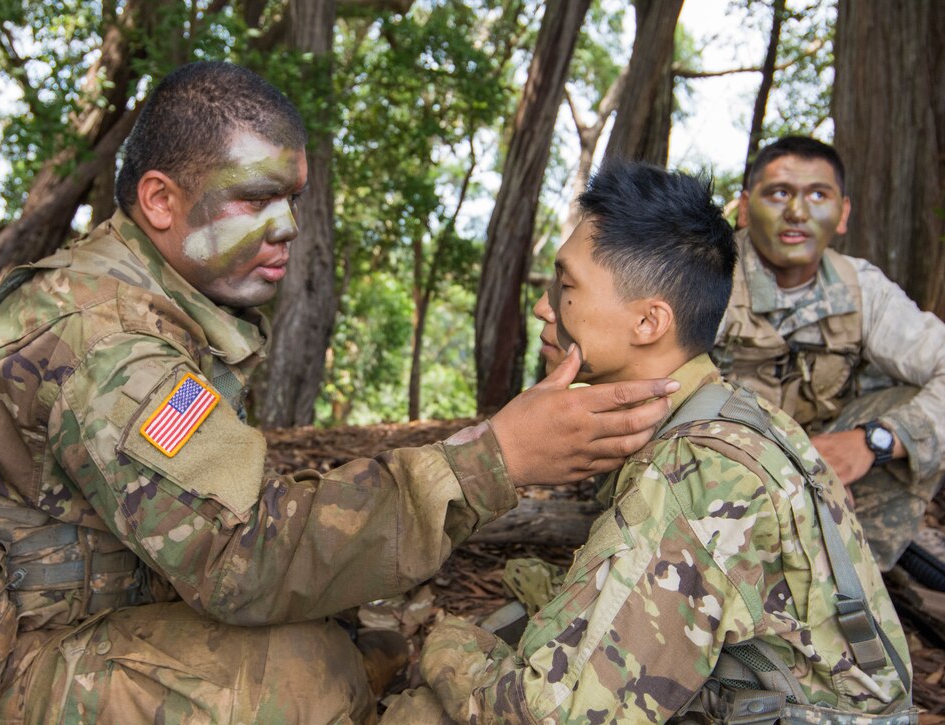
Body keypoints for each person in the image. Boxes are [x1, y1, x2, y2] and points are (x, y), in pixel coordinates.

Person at [0, 62, 680, 723]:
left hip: (76, 609)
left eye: (291, 199)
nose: (287, 227)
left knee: (361, 617)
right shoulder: (104, 341)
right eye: (254, 199)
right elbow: (242, 559)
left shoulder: (143, 294)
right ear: (159, 200)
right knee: (303, 678)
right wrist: (492, 459)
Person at [380, 162, 912, 723]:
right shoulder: (729, 414)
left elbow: (552, 717)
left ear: (648, 323)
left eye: (565, 287)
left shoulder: (694, 472)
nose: (543, 308)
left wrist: (444, 644)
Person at [712, 135, 945, 571]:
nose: (798, 212)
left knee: (915, 420)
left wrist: (875, 440)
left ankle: (847, 584)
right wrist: (792, 463)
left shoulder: (861, 288)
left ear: (843, 214)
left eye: (818, 194)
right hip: (712, 466)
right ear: (745, 208)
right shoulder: (707, 277)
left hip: (824, 464)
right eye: (779, 193)